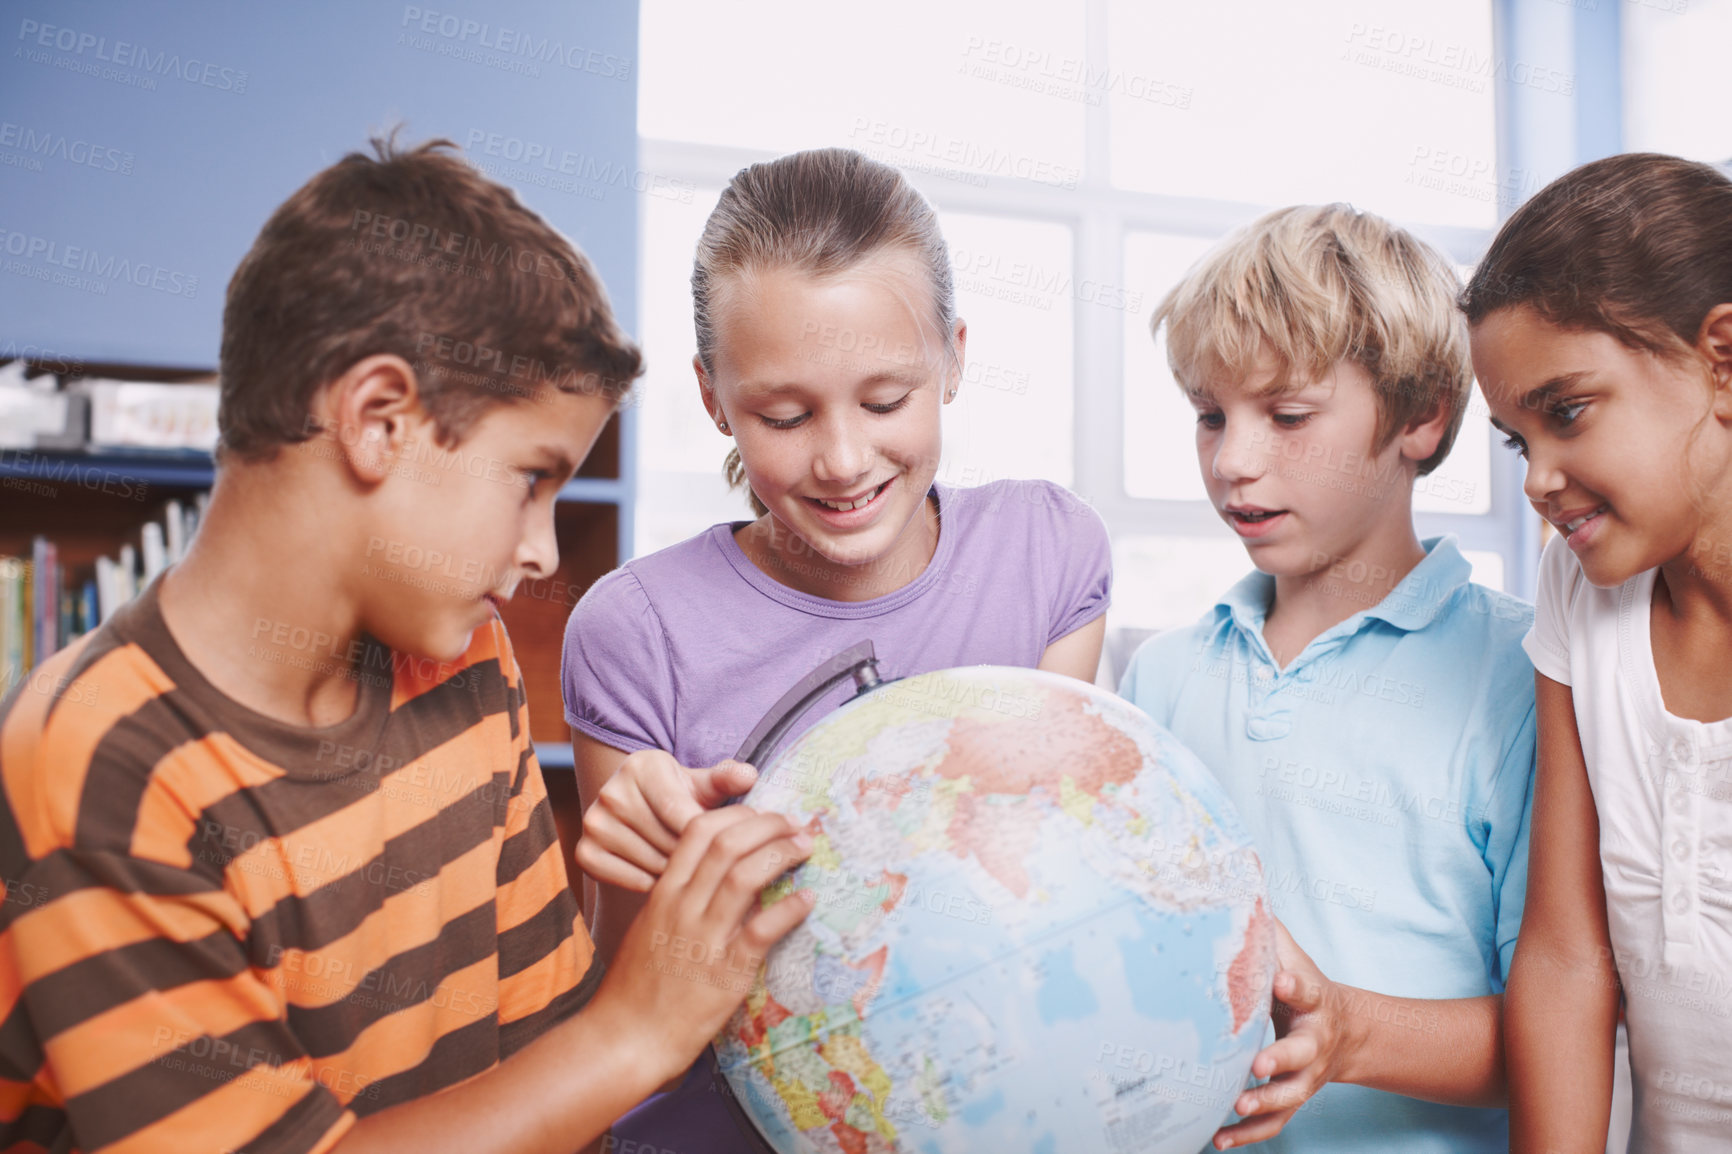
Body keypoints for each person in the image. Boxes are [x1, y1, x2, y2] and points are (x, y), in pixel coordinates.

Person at [0, 136, 814, 1154]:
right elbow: (590, 1051)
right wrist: (637, 1029)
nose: (540, 551)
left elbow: (544, 1063)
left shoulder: (465, 657)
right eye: (531, 477)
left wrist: (652, 908)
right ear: (379, 419)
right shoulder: (97, 761)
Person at [562, 147, 1112, 1151]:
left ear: (952, 354)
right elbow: (631, 1009)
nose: (844, 459)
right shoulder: (632, 628)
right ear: (712, 394)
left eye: (887, 398)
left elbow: (1048, 897)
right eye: (783, 413)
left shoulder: (1048, 551)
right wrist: (629, 862)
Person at [1119, 204, 1536, 1151]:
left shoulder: (1520, 679)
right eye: (1210, 417)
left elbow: (1560, 1035)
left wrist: (1350, 1031)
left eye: (1288, 415)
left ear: (1421, 417)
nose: (1233, 460)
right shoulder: (1160, 679)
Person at [1463, 153, 1732, 1154]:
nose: (1537, 476)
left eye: (1565, 411)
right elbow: (1568, 953)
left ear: (1721, 360)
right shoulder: (1579, 588)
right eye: (1513, 438)